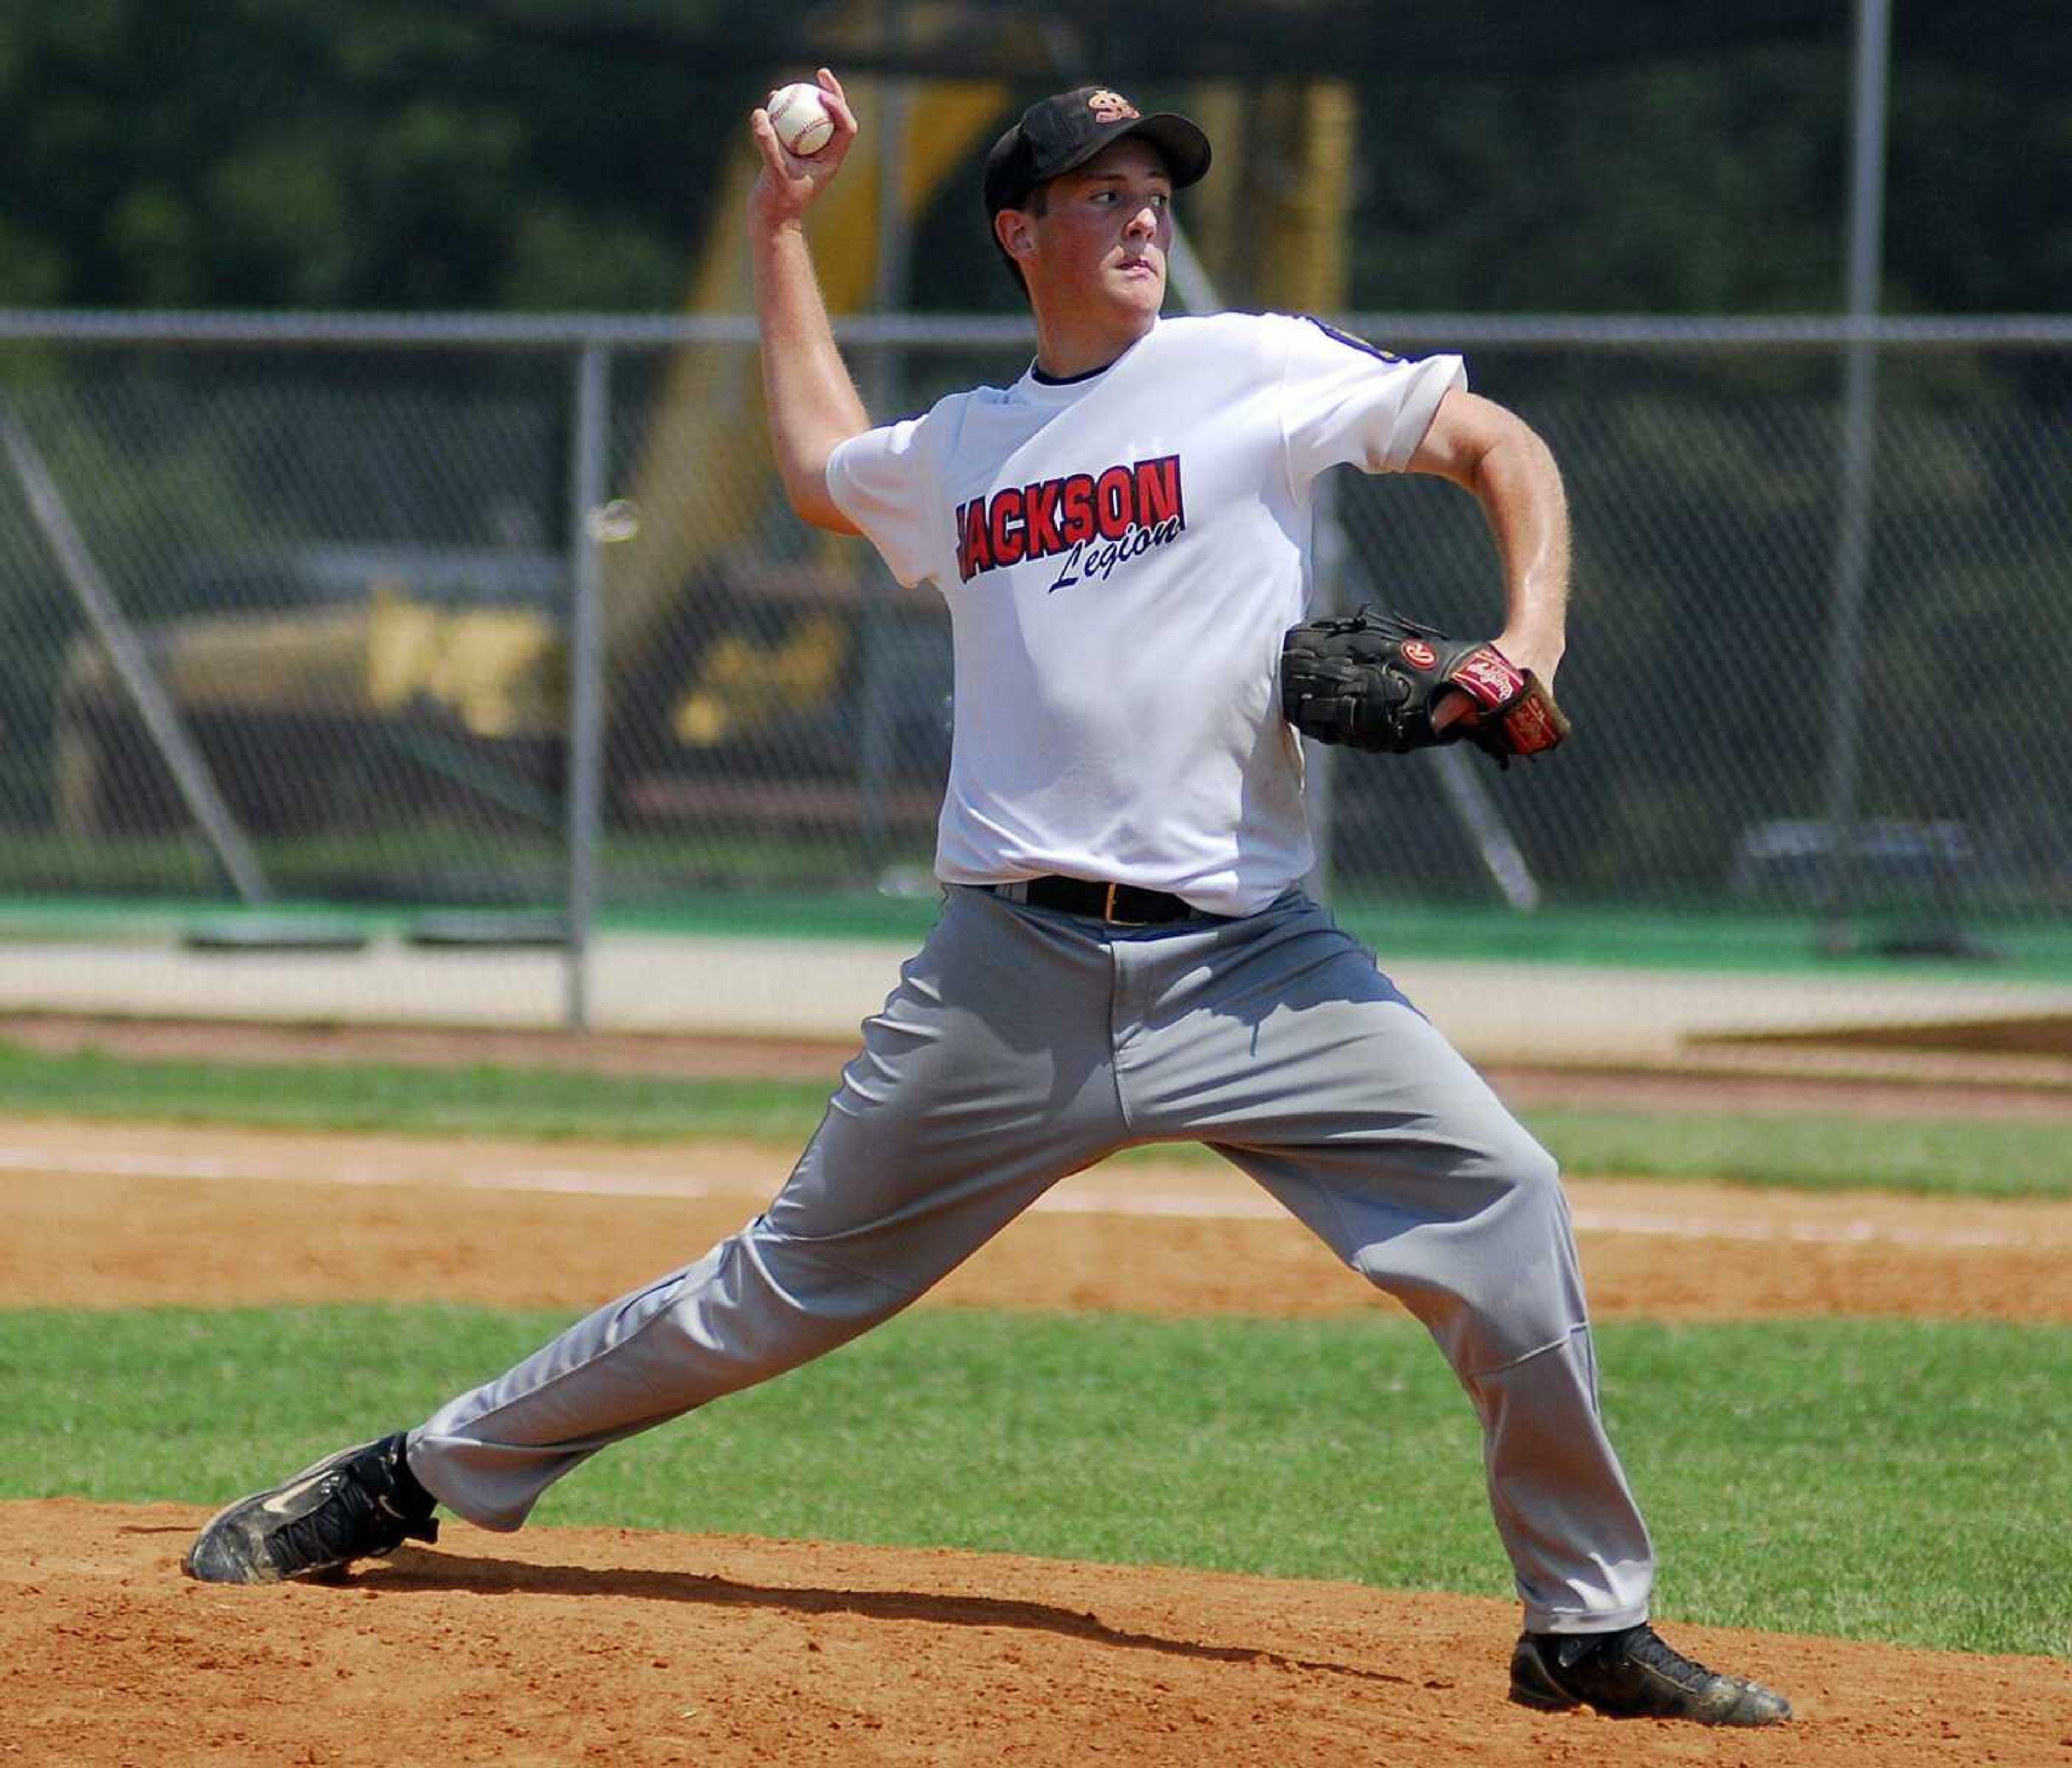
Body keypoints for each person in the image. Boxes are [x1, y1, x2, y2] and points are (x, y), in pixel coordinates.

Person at [184, 71, 1790, 1729]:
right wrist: (779, 233)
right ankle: (410, 1472)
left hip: (1257, 968)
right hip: (1006, 973)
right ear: (1020, 231)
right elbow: (815, 463)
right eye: (1099, 193)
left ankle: (1584, 1627)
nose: (1142, 211)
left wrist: (1530, 638)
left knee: (1508, 1202)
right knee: (773, 1291)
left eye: (1154, 187)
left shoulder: (1255, 368)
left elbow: (1489, 442)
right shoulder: (966, 449)